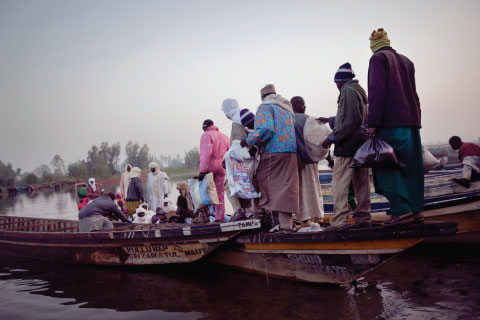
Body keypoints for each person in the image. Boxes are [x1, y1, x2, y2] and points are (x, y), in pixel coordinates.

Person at [367, 28, 423, 225]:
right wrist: (417, 119)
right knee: (411, 168)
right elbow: (414, 94)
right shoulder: (407, 61)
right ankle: (416, 211)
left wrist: (372, 123)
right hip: (412, 124)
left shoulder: (377, 59)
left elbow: (376, 93)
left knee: (386, 165)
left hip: (390, 124)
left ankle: (402, 210)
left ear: (373, 45)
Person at [241, 84, 299, 232]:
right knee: (286, 188)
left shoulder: (265, 107)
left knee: (262, 181)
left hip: (274, 151)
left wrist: (249, 139)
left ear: (262, 97)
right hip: (291, 151)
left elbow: (265, 129)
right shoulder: (286, 108)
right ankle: (285, 225)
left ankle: (262, 216)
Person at [321, 63, 371, 230]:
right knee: (361, 184)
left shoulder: (347, 91)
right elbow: (355, 117)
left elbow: (349, 120)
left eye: (336, 83)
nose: (336, 86)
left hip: (347, 146)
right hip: (361, 146)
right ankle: (363, 218)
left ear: (341, 81)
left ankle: (339, 222)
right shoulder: (358, 90)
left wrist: (332, 137)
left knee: (340, 184)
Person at [290, 96, 324, 229]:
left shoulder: (290, 121)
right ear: (296, 105)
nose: (305, 107)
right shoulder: (308, 119)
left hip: (298, 162)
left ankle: (306, 219)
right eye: (302, 104)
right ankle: (318, 217)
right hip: (311, 160)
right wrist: (327, 158)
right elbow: (319, 140)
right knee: (315, 189)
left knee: (303, 192)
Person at [221, 98, 254, 221]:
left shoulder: (236, 122)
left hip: (243, 161)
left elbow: (239, 144)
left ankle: (238, 212)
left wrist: (228, 159)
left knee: (228, 185)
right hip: (250, 158)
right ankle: (248, 211)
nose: (225, 115)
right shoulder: (243, 117)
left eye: (225, 112)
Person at [195, 119, 230, 222]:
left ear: (205, 127)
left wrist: (203, 170)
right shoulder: (224, 136)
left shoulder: (206, 135)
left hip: (210, 166)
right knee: (219, 193)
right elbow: (229, 152)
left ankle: (204, 216)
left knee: (203, 192)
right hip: (222, 166)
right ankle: (219, 217)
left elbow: (206, 153)